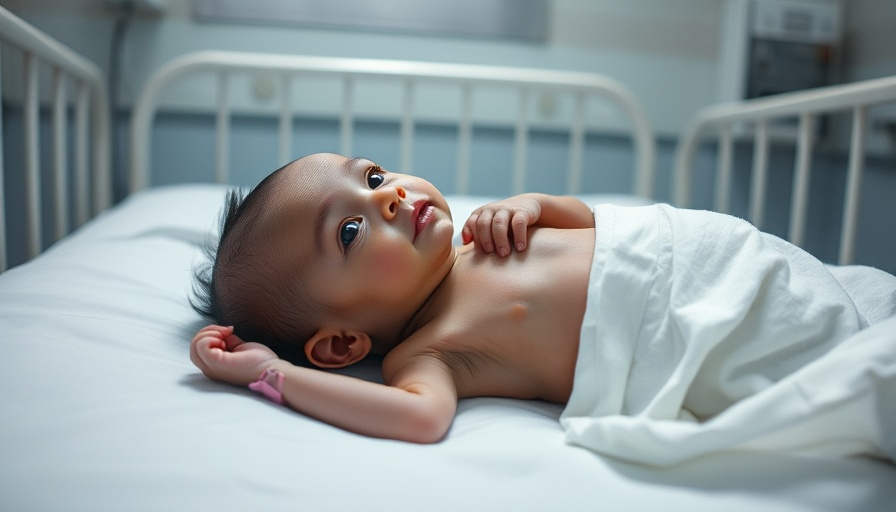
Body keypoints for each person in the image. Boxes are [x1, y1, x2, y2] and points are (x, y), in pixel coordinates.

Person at [190, 152, 896, 465]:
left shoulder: (484, 235)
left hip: (723, 262)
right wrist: (269, 374)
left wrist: (535, 205)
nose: (390, 197)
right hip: (700, 331)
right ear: (342, 345)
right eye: (350, 231)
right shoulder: (428, 351)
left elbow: (590, 221)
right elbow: (418, 419)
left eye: (373, 175)